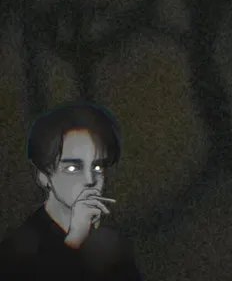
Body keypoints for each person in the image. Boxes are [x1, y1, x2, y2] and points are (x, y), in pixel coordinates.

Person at [0, 102, 142, 280]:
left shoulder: (112, 245)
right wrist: (73, 241)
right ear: (43, 176)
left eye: (97, 167)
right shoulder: (17, 251)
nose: (90, 180)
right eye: (73, 168)